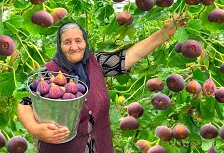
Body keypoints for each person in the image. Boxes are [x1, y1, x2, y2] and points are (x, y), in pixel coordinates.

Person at [17, 18, 178, 153]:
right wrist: (36, 130)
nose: (74, 47)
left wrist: (166, 32)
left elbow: (134, 54)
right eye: (67, 42)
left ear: (85, 42)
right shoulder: (49, 72)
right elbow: (25, 102)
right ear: (60, 45)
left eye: (78, 40)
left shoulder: (96, 62)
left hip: (101, 146)